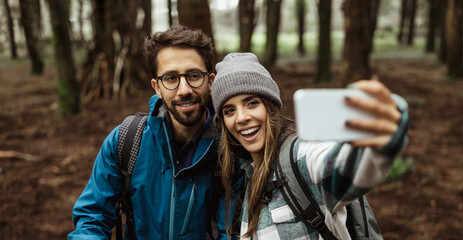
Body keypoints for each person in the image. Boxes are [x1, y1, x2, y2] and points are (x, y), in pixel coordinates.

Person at [211, 53, 409, 239]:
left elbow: (342, 168)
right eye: (229, 111)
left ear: (270, 107)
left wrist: (381, 134)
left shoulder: (300, 156)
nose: (242, 117)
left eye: (252, 103)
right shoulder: (246, 175)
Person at [69, 25, 241, 239]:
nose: (184, 89)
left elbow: (233, 232)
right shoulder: (126, 140)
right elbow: (92, 217)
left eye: (194, 75)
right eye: (171, 78)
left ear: (211, 81)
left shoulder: (232, 149)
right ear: (157, 87)